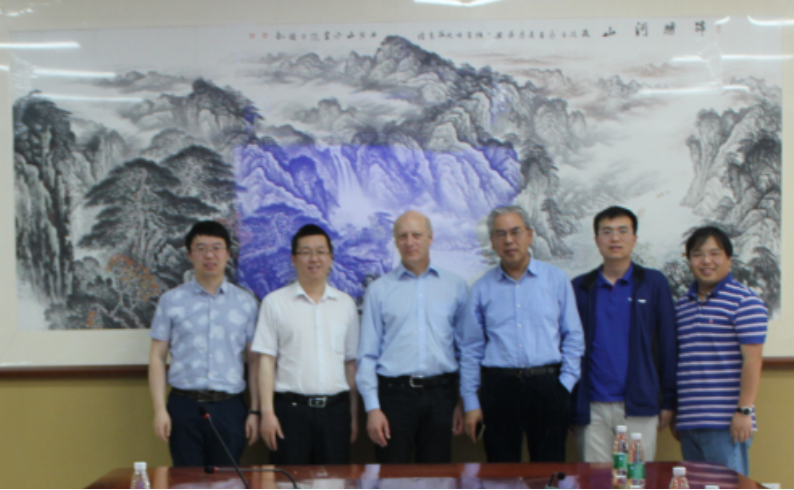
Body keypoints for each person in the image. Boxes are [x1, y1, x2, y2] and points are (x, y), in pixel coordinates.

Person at [461, 205, 584, 463]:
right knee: (501, 472)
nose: (509, 240)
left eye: (515, 232)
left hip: (548, 384)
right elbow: (471, 348)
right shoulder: (481, 288)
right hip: (499, 387)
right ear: (493, 241)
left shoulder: (555, 280)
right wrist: (471, 402)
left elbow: (573, 337)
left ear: (530, 234)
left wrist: (565, 385)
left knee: (549, 470)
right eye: (501, 234)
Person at [357, 210, 468, 464]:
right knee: (392, 477)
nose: (410, 242)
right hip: (394, 398)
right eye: (403, 236)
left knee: (438, 478)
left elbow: (464, 350)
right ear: (396, 241)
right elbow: (367, 355)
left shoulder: (455, 286)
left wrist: (462, 401)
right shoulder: (379, 290)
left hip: (442, 395)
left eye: (417, 235)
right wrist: (373, 408)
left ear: (430, 238)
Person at [149, 221, 260, 467]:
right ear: (190, 255)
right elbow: (157, 357)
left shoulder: (246, 303)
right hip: (184, 405)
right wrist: (160, 409)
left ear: (228, 254)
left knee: (228, 479)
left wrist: (254, 410)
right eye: (201, 248)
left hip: (229, 407)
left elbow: (255, 361)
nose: (209, 255)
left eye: (216, 248)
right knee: (187, 479)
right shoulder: (171, 301)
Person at [571, 206, 677, 463]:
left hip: (639, 403)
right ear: (597, 240)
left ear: (634, 238)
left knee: (635, 478)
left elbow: (667, 344)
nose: (615, 238)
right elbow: (568, 348)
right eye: (607, 232)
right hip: (592, 405)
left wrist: (668, 401)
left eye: (622, 231)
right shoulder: (580, 288)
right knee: (596, 479)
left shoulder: (653, 284)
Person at [254, 224, 360, 465]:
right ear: (293, 259)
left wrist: (353, 415)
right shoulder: (275, 303)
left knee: (335, 480)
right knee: (289, 480)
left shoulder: (345, 305)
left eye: (320, 252)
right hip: (290, 413)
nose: (314, 259)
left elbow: (350, 364)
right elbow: (266, 362)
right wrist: (267, 414)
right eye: (305, 252)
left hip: (335, 412)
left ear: (330, 257)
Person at [674, 226, 768, 476]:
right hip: (689, 422)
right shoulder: (682, 306)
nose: (706, 261)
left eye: (715, 253)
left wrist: (744, 411)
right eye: (697, 254)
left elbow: (753, 360)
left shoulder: (745, 301)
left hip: (726, 424)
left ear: (729, 258)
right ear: (689, 260)